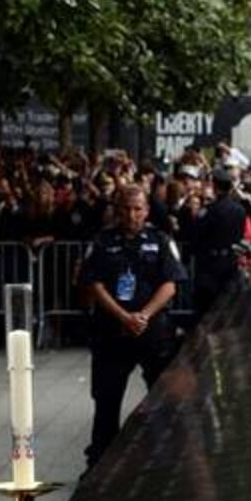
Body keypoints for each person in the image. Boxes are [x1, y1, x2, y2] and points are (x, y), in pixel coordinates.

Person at [77, 185, 184, 471]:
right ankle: (100, 463)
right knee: (107, 401)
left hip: (153, 333)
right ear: (115, 209)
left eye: (138, 209)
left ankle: (167, 462)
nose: (132, 214)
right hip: (112, 333)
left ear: (147, 210)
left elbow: (170, 284)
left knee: (162, 399)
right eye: (125, 208)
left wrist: (143, 316)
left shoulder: (160, 240)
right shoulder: (101, 242)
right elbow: (94, 285)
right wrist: (124, 317)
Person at [191, 168, 247, 319]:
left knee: (205, 309)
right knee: (226, 310)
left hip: (210, 265)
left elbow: (196, 235)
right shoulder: (240, 210)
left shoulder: (209, 210)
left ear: (215, 187)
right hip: (230, 263)